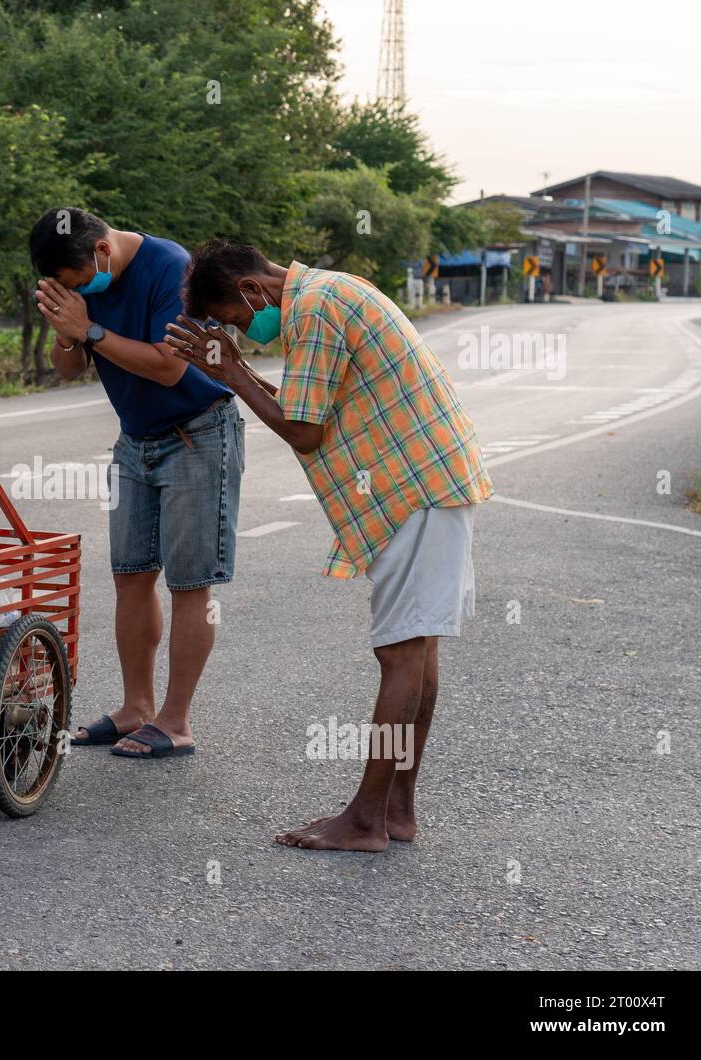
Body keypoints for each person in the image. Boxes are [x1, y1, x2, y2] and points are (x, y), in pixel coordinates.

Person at [167, 241, 491, 849]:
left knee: (400, 656)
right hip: (430, 484)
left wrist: (231, 374)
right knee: (417, 651)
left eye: (238, 320)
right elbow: (306, 404)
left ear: (252, 291)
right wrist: (235, 372)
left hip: (412, 492)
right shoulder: (332, 290)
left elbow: (304, 431)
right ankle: (396, 810)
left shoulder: (312, 310)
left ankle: (367, 820)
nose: (246, 333)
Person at [29, 208, 245, 759]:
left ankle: (175, 722)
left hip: (196, 434)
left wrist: (90, 329)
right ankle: (136, 708)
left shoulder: (170, 267)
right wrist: (66, 335)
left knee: (190, 584)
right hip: (135, 440)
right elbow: (69, 369)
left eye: (79, 283)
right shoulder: (83, 281)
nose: (82, 292)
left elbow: (169, 367)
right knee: (130, 574)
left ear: (101, 252)